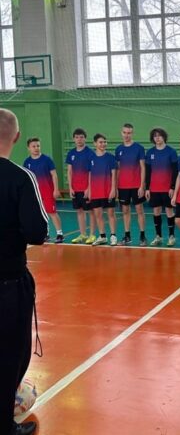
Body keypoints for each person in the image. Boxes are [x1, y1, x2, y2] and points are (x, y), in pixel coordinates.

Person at [0, 108, 47, 435]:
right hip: (8, 282)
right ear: (16, 137)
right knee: (10, 352)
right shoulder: (20, 177)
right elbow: (36, 232)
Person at [23, 137, 64, 243]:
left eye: (38, 146)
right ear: (28, 148)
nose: (36, 148)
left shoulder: (47, 159)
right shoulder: (27, 162)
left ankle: (60, 234)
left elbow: (54, 175)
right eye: (33, 146)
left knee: (52, 212)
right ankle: (46, 234)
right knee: (40, 214)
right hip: (35, 193)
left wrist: (56, 189)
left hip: (48, 191)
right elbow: (27, 178)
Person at [145, 128, 178, 247]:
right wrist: (147, 188)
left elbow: (175, 171)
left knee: (169, 211)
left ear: (164, 137)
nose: (157, 138)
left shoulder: (171, 151)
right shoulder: (150, 152)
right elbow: (148, 172)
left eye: (159, 135)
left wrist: (172, 187)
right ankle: (158, 236)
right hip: (154, 188)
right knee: (156, 211)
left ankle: (171, 236)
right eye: (155, 136)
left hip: (167, 189)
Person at [115, 123, 147, 246]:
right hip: (123, 186)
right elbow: (118, 169)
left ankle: (142, 236)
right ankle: (127, 236)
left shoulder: (139, 148)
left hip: (136, 185)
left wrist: (142, 185)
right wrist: (116, 186)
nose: (126, 135)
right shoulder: (118, 149)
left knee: (139, 210)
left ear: (132, 133)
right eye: (124, 132)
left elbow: (143, 167)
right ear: (121, 133)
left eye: (129, 133)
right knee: (125, 210)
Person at [66, 128, 97, 244]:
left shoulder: (90, 153)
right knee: (79, 211)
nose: (79, 139)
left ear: (85, 138)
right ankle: (83, 234)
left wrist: (89, 188)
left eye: (81, 137)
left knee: (91, 211)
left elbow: (92, 172)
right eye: (77, 137)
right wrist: (70, 187)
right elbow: (69, 171)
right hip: (75, 188)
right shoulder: (71, 153)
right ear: (74, 139)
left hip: (86, 189)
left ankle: (92, 235)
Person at [87, 133, 118, 246]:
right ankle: (102, 236)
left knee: (110, 213)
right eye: (100, 142)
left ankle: (113, 235)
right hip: (95, 191)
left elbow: (114, 174)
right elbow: (90, 175)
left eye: (105, 142)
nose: (103, 144)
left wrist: (113, 189)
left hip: (108, 190)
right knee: (98, 214)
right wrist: (89, 190)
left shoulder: (110, 157)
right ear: (95, 143)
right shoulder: (91, 158)